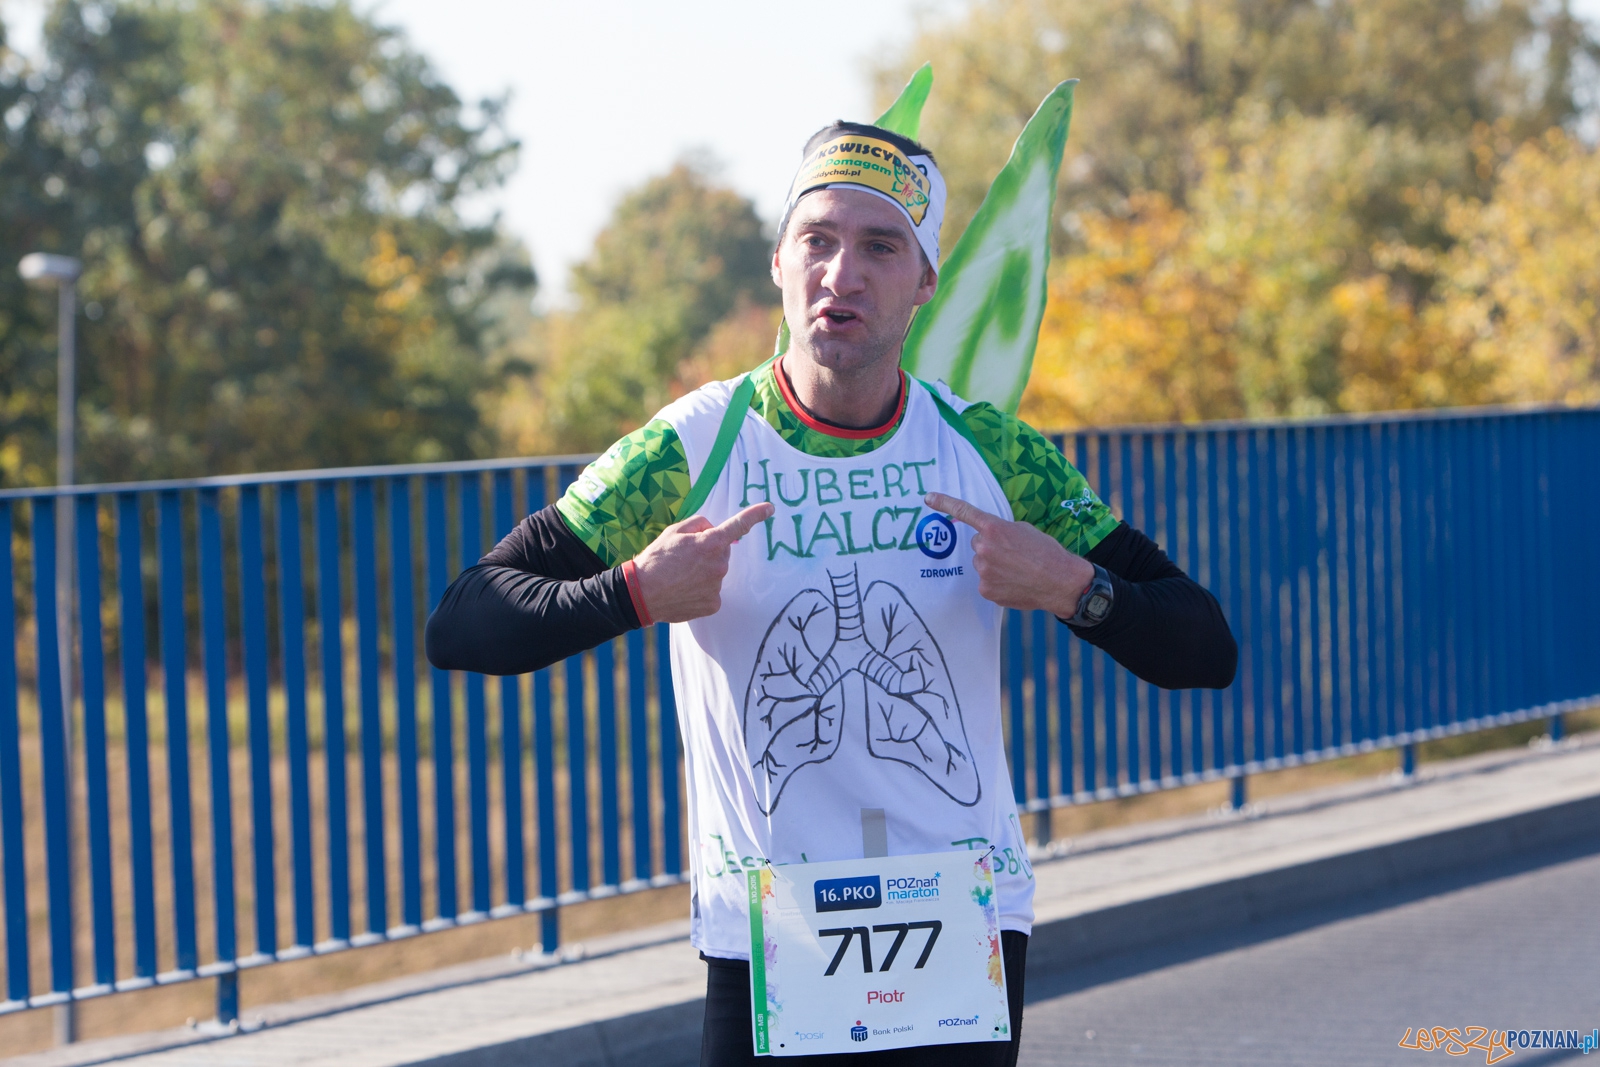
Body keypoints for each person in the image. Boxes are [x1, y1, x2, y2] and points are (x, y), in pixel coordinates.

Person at [427, 120, 1237, 1067]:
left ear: (924, 282)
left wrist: (1074, 585)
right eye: (817, 239)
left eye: (881, 247)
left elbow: (1206, 647)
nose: (841, 274)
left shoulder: (991, 451)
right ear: (779, 262)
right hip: (771, 927)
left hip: (959, 914)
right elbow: (465, 620)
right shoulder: (694, 445)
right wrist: (633, 592)